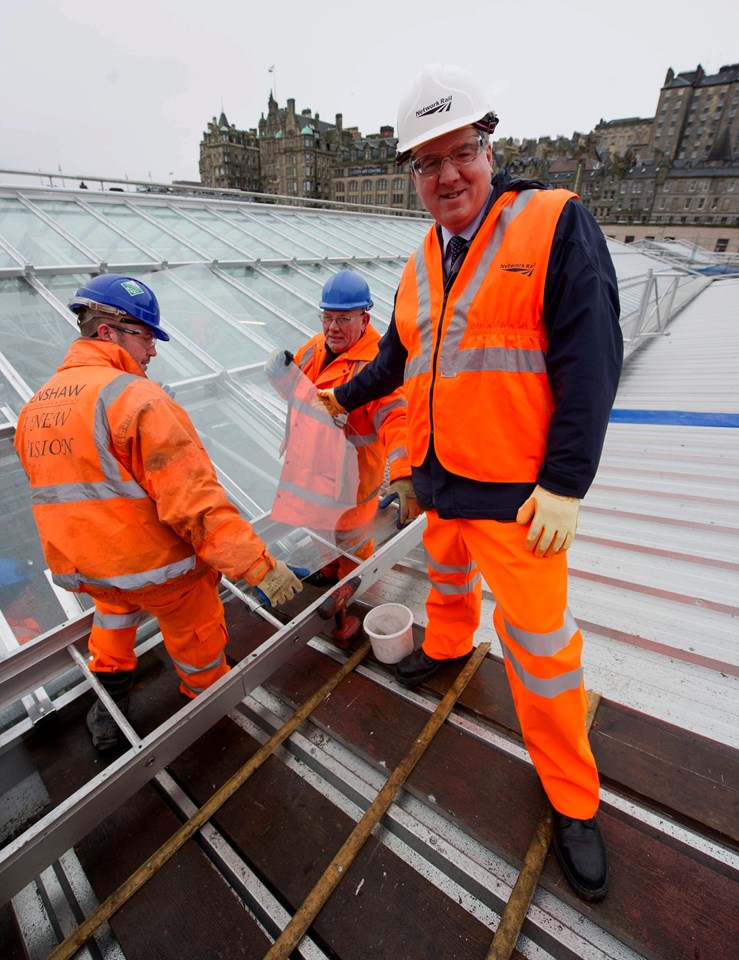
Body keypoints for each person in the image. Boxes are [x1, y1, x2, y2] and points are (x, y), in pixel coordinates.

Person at [315, 65, 623, 902]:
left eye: (463, 154)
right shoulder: (423, 258)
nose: (447, 175)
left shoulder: (554, 224)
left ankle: (572, 799)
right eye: (428, 162)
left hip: (523, 500)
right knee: (445, 583)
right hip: (442, 481)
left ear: (492, 151)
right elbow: (400, 355)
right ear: (411, 173)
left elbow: (589, 357)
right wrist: (341, 394)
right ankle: (447, 652)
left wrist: (565, 484)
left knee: (543, 656)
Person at [14, 274, 302, 752]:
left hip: (94, 572)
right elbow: (195, 504)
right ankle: (209, 708)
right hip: (160, 572)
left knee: (111, 623)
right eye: (146, 337)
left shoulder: (35, 409)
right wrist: (259, 567)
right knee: (198, 636)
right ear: (107, 331)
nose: (152, 351)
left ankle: (107, 716)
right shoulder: (137, 399)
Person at [265, 270, 419, 585]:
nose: (332, 328)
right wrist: (281, 376)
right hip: (312, 478)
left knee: (353, 552)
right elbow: (302, 399)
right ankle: (327, 574)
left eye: (344, 319)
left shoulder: (377, 365)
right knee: (323, 540)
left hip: (352, 488)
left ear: (365, 318)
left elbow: (396, 418)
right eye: (327, 317)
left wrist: (404, 472)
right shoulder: (314, 348)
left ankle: (350, 601)